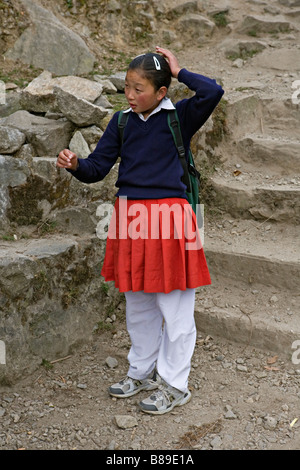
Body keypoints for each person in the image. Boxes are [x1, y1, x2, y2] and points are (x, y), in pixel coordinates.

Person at [56, 47, 224, 415]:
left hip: (170, 220)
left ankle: (175, 384)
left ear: (161, 92)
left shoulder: (179, 116)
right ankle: (142, 371)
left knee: (175, 309)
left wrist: (179, 70)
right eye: (127, 87)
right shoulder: (122, 121)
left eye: (139, 88)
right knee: (139, 306)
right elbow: (98, 167)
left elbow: (212, 92)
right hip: (130, 218)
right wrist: (76, 164)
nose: (130, 95)